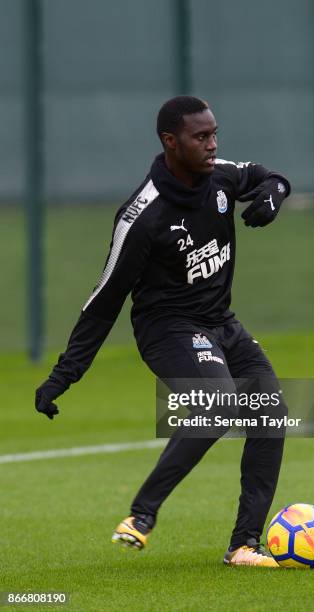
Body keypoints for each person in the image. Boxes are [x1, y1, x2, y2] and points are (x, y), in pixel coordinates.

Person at [35, 96, 291, 567]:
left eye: (214, 133)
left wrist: (273, 195)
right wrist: (63, 375)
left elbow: (270, 177)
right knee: (217, 407)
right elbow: (104, 302)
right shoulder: (142, 217)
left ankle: (243, 545)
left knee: (270, 416)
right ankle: (142, 515)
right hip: (168, 329)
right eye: (201, 137)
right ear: (170, 142)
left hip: (223, 325)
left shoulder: (220, 176)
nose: (212, 144)